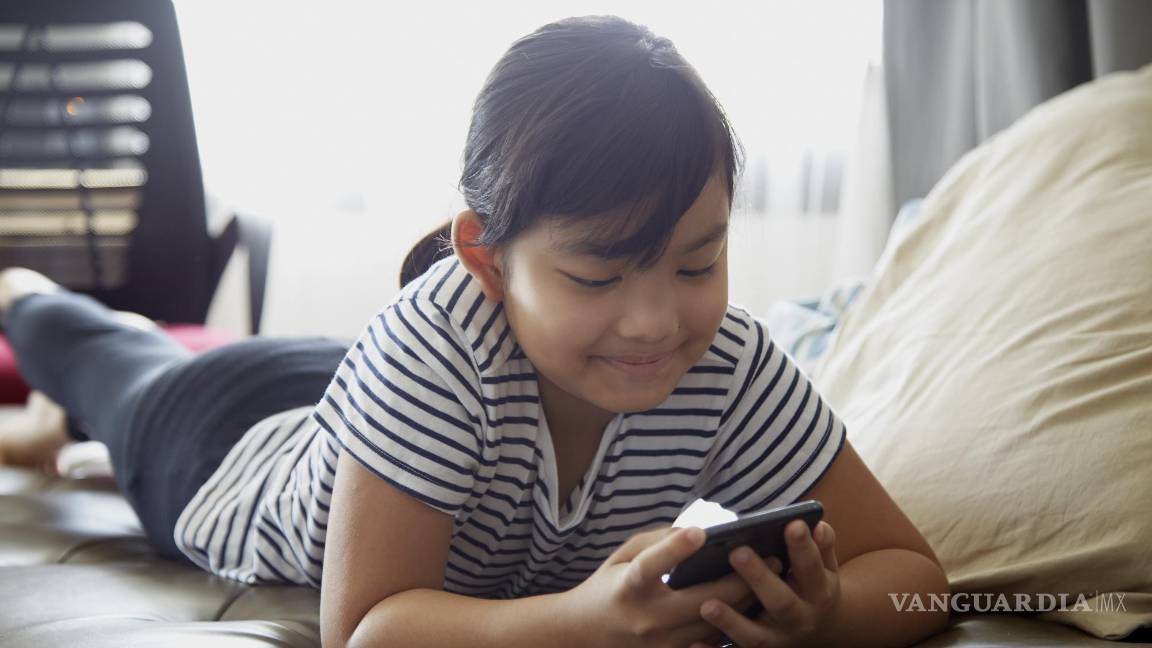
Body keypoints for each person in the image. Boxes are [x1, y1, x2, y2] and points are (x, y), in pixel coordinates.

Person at [0, 15, 950, 648]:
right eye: (595, 275)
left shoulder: (730, 364)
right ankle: (26, 296)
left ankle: (49, 425)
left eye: (698, 263)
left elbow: (915, 578)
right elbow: (368, 628)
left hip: (358, 404)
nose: (659, 320)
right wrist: (582, 621)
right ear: (486, 259)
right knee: (94, 352)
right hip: (221, 439)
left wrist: (827, 615)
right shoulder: (434, 348)